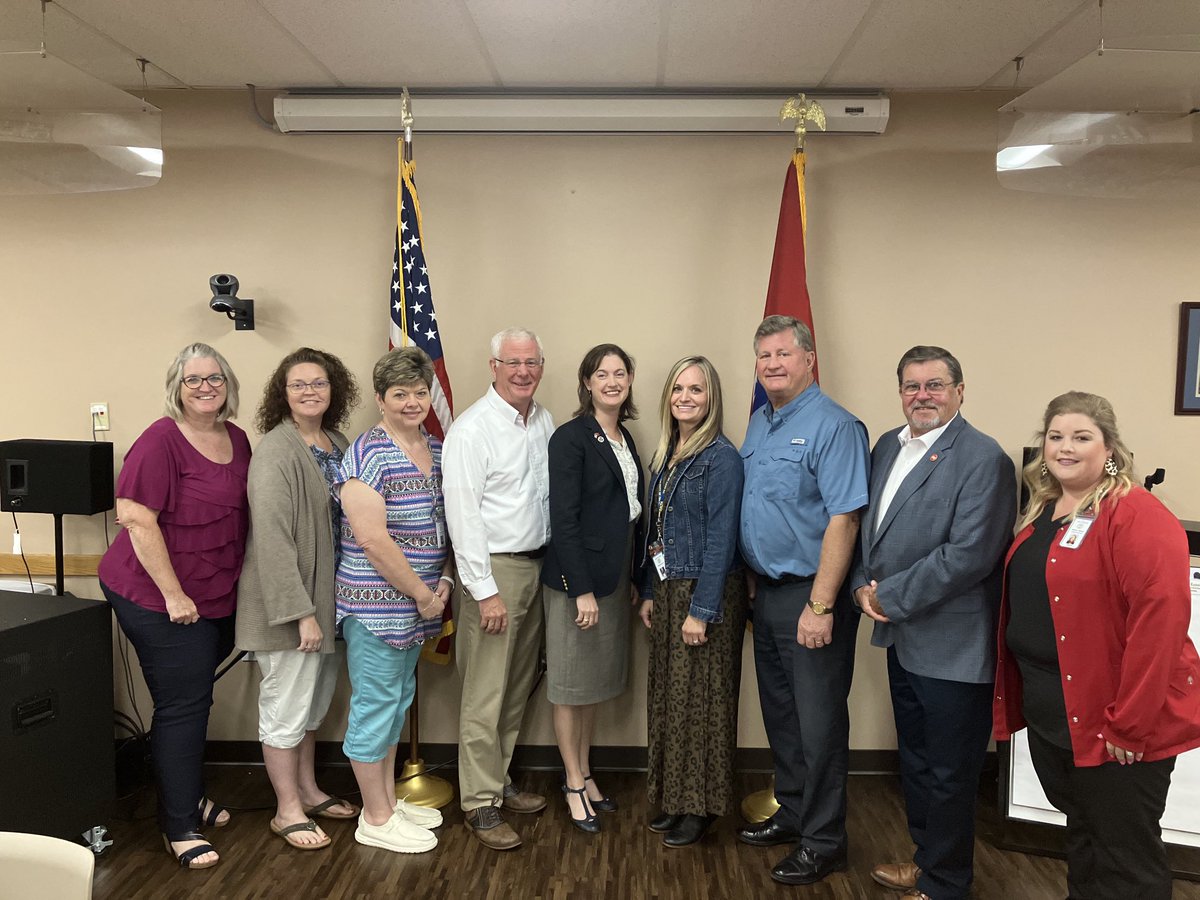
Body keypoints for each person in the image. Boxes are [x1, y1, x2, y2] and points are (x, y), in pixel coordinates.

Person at [994, 391, 1200, 900]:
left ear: (1109, 448)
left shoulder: (1136, 514)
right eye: (1055, 437)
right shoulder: (1045, 508)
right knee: (1085, 835)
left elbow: (1161, 626)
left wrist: (1130, 724)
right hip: (1055, 713)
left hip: (1117, 725)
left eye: (1081, 437)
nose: (1065, 448)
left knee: (1125, 855)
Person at [852, 346, 1015, 900]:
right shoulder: (885, 448)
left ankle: (946, 884)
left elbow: (970, 554)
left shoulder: (983, 457)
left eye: (935, 385)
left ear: (960, 391)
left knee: (949, 773)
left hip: (955, 645)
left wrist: (888, 595)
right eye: (911, 386)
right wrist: (859, 585)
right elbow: (865, 529)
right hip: (904, 639)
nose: (922, 395)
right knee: (918, 763)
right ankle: (927, 862)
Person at [97, 342, 251, 870]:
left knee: (190, 696)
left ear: (227, 384)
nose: (205, 387)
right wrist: (173, 595)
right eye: (193, 380)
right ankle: (178, 825)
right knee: (185, 704)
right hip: (157, 594)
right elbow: (136, 519)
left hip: (215, 591)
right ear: (176, 388)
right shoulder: (160, 440)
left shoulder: (237, 438)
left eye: (214, 378)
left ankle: (184, 793)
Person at [737, 315, 869, 885]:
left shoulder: (835, 426)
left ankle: (824, 840)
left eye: (783, 354)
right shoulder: (760, 424)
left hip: (811, 598)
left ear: (809, 359)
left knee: (818, 726)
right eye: (763, 355)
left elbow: (845, 516)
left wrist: (819, 605)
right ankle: (792, 813)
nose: (772, 364)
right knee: (783, 719)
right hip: (766, 595)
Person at [236, 348, 362, 851]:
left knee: (312, 708)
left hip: (333, 604)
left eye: (319, 383)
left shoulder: (337, 441)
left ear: (334, 390)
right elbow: (272, 538)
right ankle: (286, 809)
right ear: (282, 394)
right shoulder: (277, 451)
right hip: (293, 610)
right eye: (298, 384)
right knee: (285, 709)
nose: (310, 391)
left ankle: (308, 790)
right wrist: (301, 613)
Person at [334, 347, 451, 854]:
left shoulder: (438, 451)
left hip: (421, 604)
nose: (411, 402)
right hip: (377, 606)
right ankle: (376, 819)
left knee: (395, 705)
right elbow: (372, 540)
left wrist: (443, 579)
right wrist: (426, 594)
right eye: (399, 394)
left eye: (419, 392)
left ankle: (383, 802)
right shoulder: (367, 454)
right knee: (375, 708)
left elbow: (449, 525)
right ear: (380, 399)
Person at [443, 326, 554, 851]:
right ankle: (479, 803)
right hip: (494, 573)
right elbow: (463, 519)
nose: (522, 371)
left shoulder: (543, 421)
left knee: (515, 688)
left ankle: (498, 779)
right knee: (484, 693)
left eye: (531, 362)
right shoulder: (472, 430)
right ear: (493, 367)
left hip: (537, 567)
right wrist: (484, 591)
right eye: (512, 362)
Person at [639, 356, 747, 848]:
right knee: (670, 701)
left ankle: (700, 809)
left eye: (696, 390)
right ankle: (675, 799)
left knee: (701, 705)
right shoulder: (667, 453)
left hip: (704, 592)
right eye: (678, 388)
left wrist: (701, 611)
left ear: (711, 399)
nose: (685, 397)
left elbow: (722, 538)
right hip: (667, 588)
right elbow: (654, 530)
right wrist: (647, 591)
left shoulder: (720, 457)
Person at [540, 343, 644, 834]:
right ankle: (572, 780)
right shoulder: (570, 438)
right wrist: (579, 588)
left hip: (613, 580)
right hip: (575, 584)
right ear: (586, 382)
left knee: (593, 687)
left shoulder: (624, 437)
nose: (611, 381)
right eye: (601, 373)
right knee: (568, 687)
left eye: (619, 373)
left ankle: (586, 770)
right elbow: (564, 519)